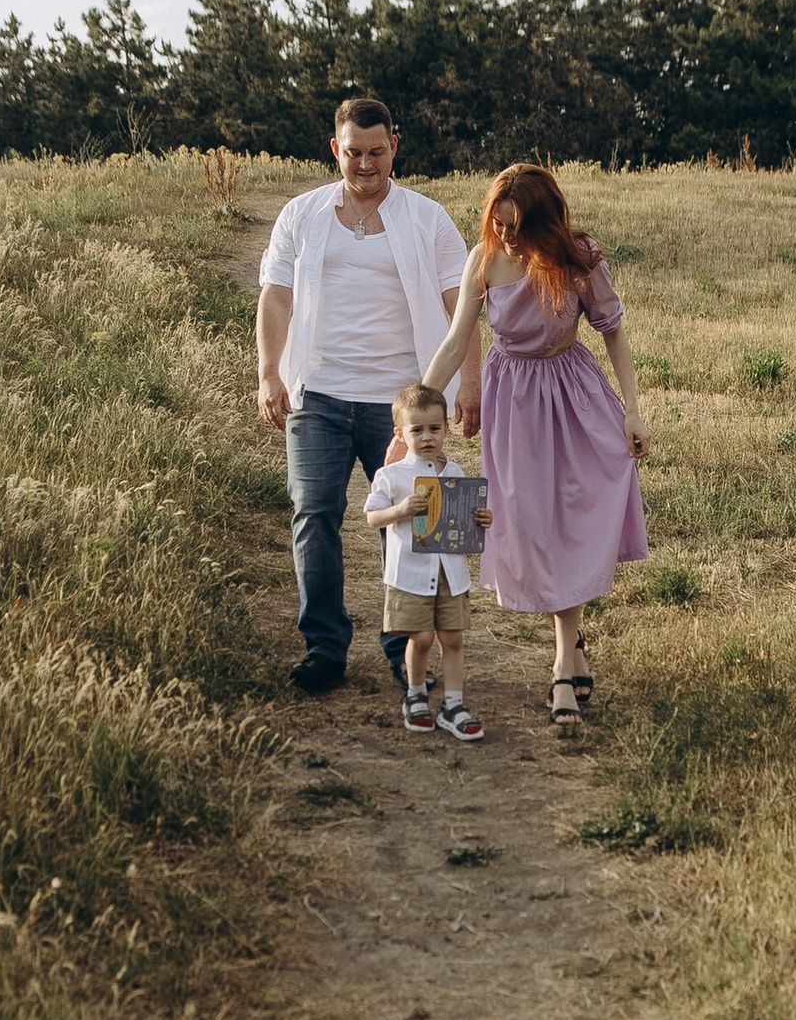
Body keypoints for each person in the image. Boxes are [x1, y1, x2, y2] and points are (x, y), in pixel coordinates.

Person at [255, 96, 469, 697]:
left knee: (409, 525)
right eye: (354, 153)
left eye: (377, 152)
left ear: (394, 147)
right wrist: (270, 371)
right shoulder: (301, 214)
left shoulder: (427, 218)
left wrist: (467, 383)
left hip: (403, 407)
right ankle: (324, 647)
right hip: (318, 395)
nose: (366, 164)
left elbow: (462, 308)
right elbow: (276, 297)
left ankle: (409, 651)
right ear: (336, 149)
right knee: (313, 513)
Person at [423, 162, 649, 729]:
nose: (505, 236)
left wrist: (634, 412)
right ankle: (572, 647)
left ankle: (560, 667)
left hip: (572, 397)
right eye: (497, 223)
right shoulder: (484, 260)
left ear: (543, 222)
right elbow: (455, 344)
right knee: (527, 524)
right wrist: (416, 412)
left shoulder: (577, 257)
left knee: (569, 522)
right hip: (513, 403)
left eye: (516, 226)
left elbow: (613, 331)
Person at [361, 378, 490, 741]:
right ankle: (415, 696)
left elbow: (465, 521)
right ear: (400, 433)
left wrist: (481, 519)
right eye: (417, 429)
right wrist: (400, 510)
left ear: (446, 428)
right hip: (411, 573)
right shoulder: (391, 476)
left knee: (453, 638)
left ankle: (453, 704)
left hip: (450, 572)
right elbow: (372, 516)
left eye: (435, 428)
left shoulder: (455, 475)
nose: (427, 436)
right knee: (420, 638)